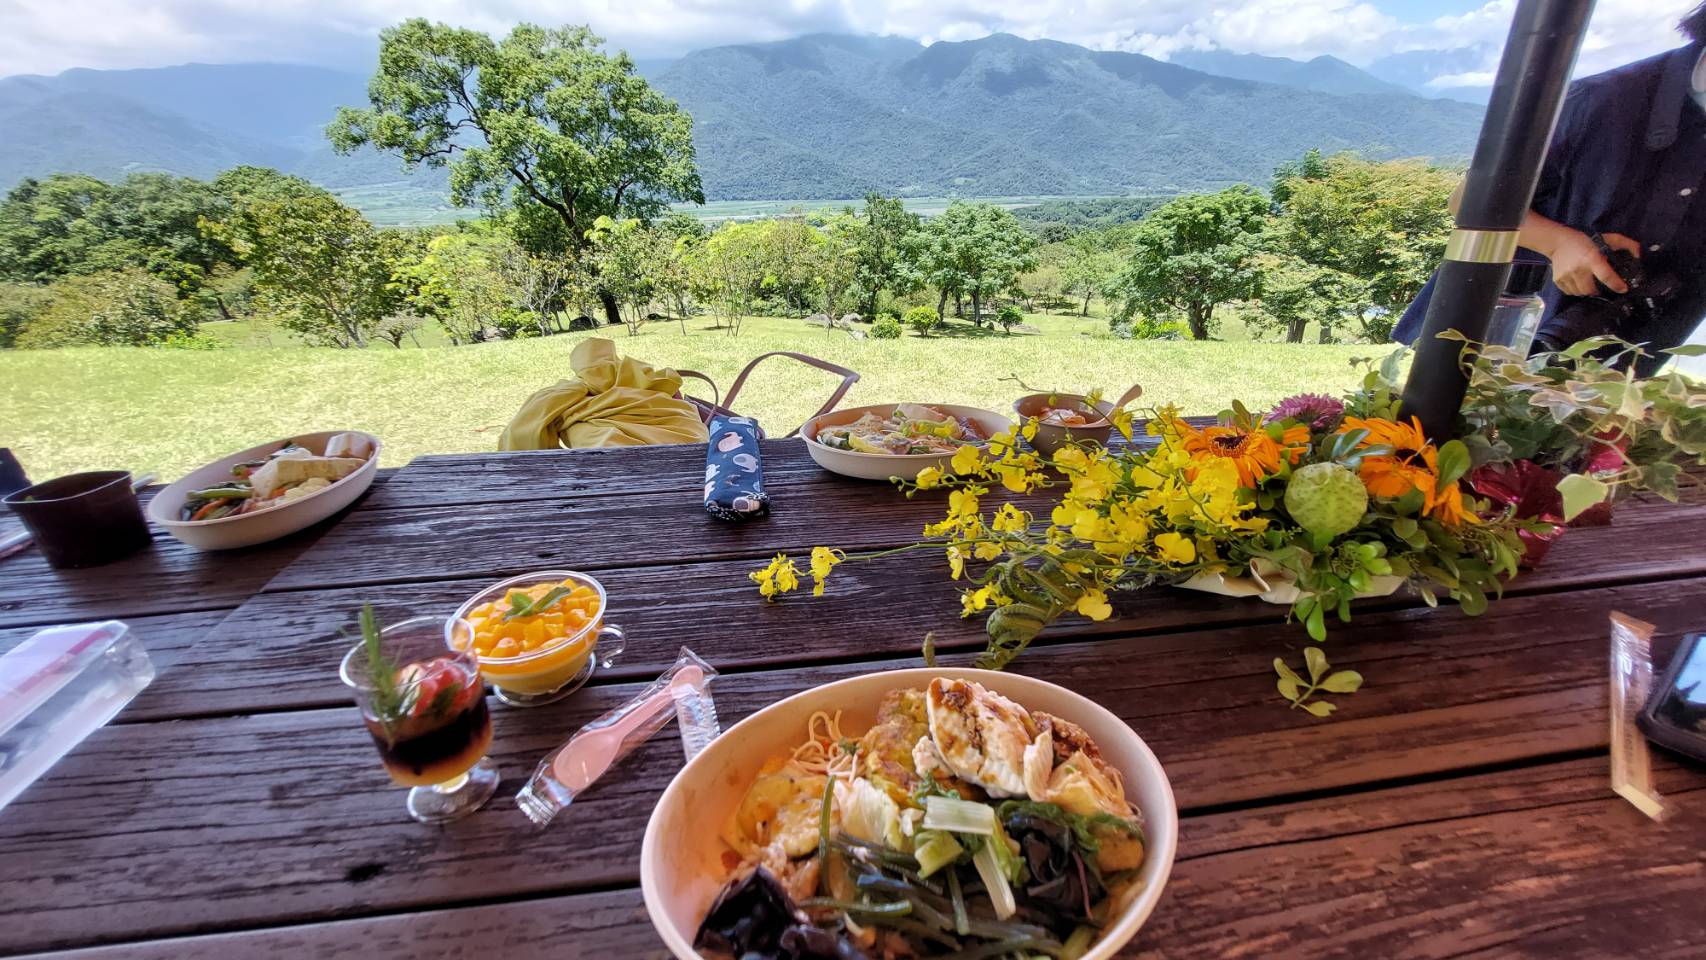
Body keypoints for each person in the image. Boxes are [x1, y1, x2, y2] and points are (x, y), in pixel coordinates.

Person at [1395, 4, 1706, 373]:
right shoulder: (1601, 100)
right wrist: (1559, 242)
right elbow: (1467, 202)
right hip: (1493, 334)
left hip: (1628, 358)